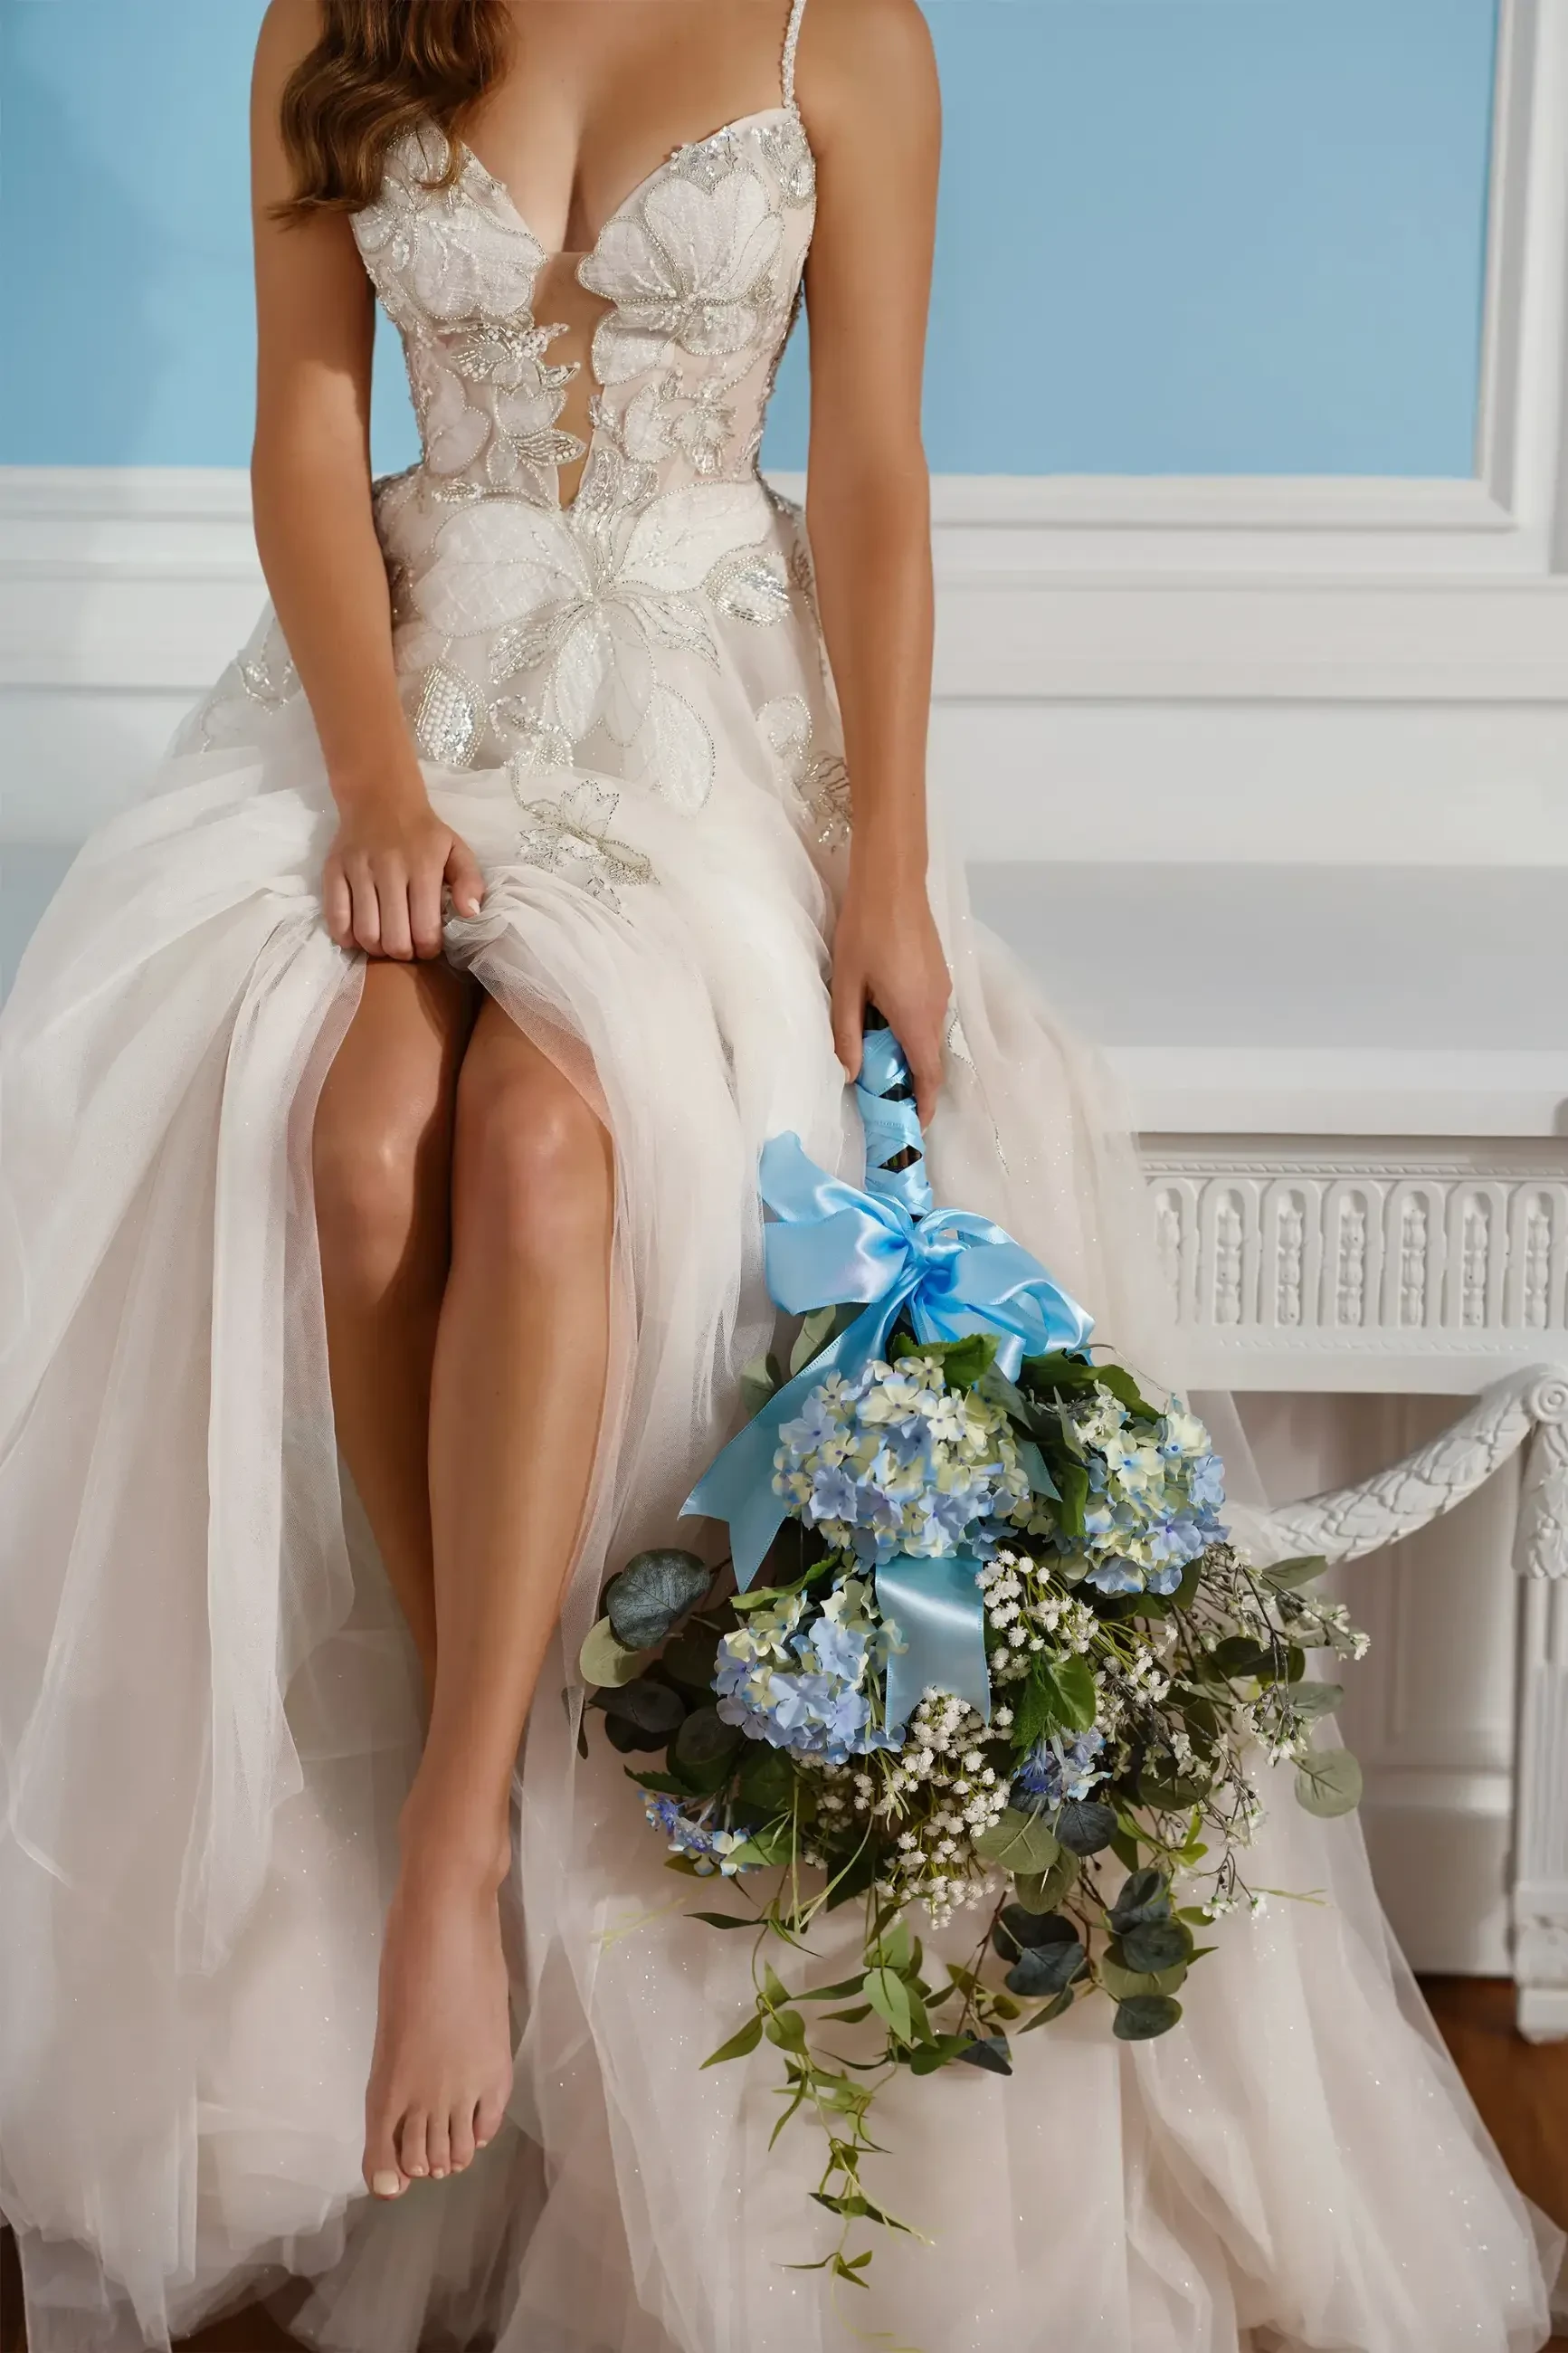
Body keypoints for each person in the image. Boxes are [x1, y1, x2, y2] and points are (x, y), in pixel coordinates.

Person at [0, 3, 1560, 2348]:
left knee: (550, 1141)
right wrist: (378, 792)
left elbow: (869, 476)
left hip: (700, 720)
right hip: (415, 691)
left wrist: (889, 875)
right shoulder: (335, 26)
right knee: (360, 1137)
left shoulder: (843, 32)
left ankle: (462, 1859)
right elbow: (309, 432)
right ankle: (460, 1779)